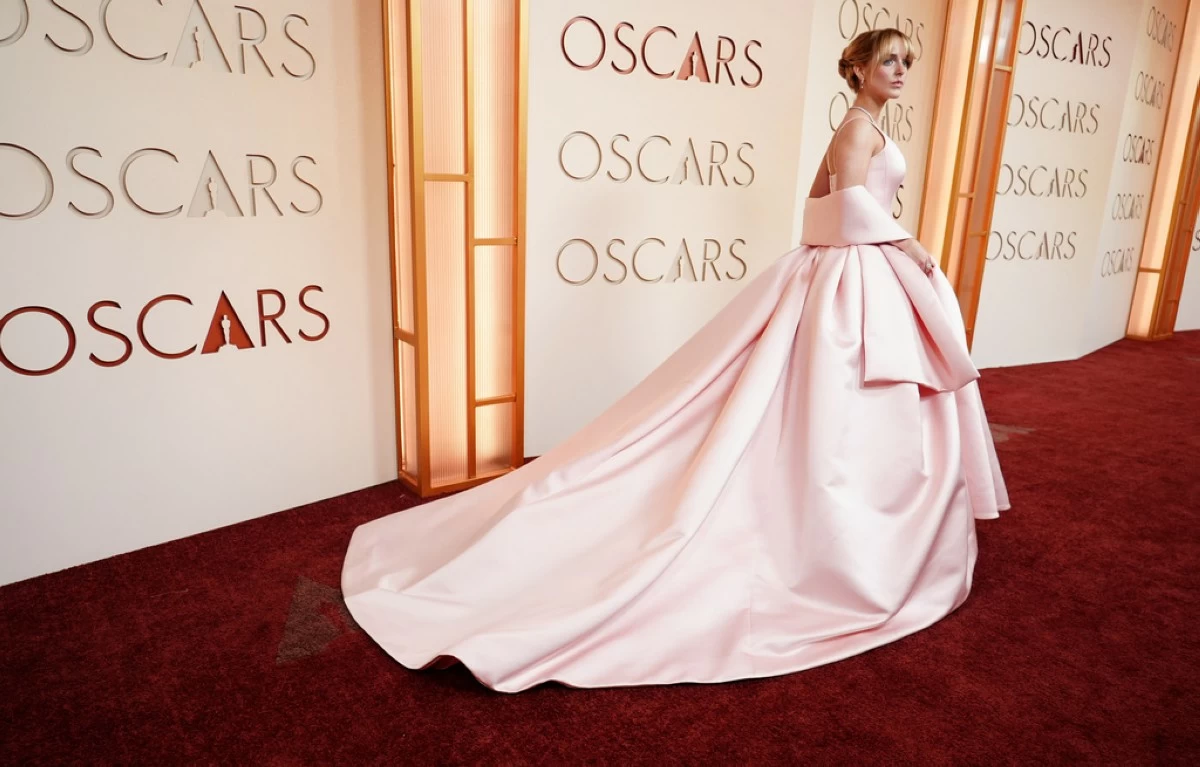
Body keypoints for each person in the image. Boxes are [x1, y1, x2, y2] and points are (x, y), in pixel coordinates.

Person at [342, 28, 1010, 693]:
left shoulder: (858, 128)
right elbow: (849, 209)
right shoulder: (858, 129)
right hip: (859, 277)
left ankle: (854, 524)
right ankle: (841, 537)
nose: (901, 70)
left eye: (906, 62)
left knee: (838, 407)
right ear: (859, 67)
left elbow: (815, 209)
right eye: (889, 60)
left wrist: (882, 248)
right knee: (830, 406)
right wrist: (910, 247)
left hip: (853, 279)